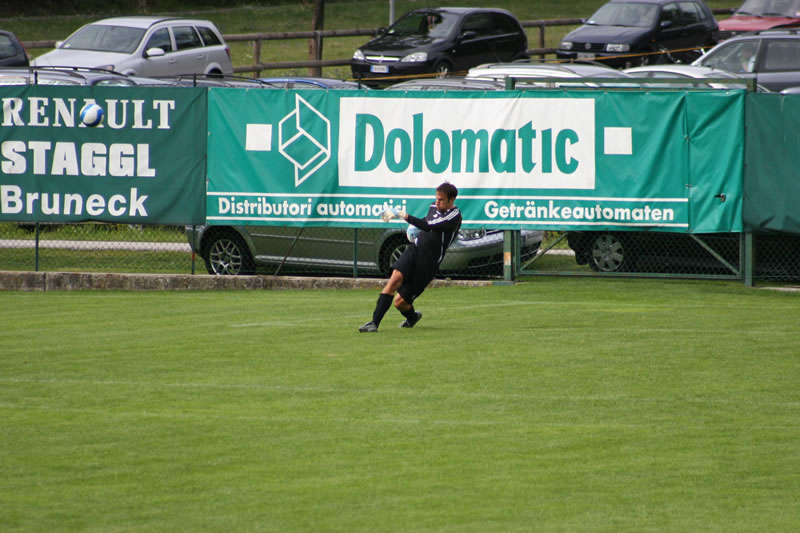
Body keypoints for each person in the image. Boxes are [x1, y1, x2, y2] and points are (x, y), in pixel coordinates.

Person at [359, 182, 462, 333]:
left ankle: (412, 317)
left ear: (451, 200)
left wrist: (403, 215)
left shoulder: (454, 216)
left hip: (428, 263)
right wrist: (414, 227)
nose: (437, 202)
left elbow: (429, 226)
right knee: (394, 280)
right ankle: (374, 323)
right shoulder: (434, 206)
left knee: (399, 303)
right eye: (436, 198)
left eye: (441, 200)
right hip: (415, 250)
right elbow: (426, 220)